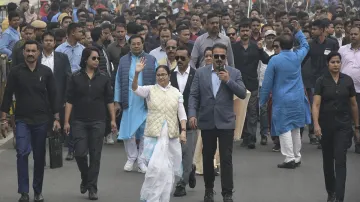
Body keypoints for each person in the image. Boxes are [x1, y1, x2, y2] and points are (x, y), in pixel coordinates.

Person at [0, 40, 60, 202]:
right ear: (23, 53)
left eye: (34, 51)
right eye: (28, 51)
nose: (31, 54)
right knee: (22, 153)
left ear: (38, 53)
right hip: (22, 120)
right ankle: (24, 192)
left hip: (41, 120)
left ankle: (38, 191)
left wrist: (57, 118)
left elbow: (54, 95)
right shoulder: (16, 72)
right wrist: (4, 118)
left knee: (39, 157)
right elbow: (7, 94)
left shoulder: (46, 72)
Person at [188, 43, 247, 202]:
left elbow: (242, 93)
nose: (219, 59)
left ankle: (227, 193)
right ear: (211, 57)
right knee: (207, 157)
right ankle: (208, 190)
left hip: (226, 122)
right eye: (216, 56)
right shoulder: (200, 73)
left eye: (222, 56)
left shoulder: (234, 73)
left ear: (226, 57)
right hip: (207, 120)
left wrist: (228, 81)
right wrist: (192, 114)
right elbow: (193, 95)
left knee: (226, 159)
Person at [64, 47, 117, 200]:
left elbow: (109, 100)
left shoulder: (104, 77)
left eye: (98, 58)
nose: (96, 61)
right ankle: (85, 178)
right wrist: (66, 121)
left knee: (95, 155)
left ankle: (92, 188)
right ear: (86, 59)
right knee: (80, 153)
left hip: (98, 121)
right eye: (93, 58)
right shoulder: (75, 77)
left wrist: (112, 120)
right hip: (79, 121)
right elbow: (69, 101)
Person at [259, 22, 311, 169]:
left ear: (280, 45)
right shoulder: (297, 56)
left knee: (284, 128)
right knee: (295, 127)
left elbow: (267, 83)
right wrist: (299, 31)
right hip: (298, 98)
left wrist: (262, 101)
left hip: (282, 99)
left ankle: (289, 159)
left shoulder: (275, 60)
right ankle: (297, 156)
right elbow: (306, 46)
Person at [132, 62, 186, 202]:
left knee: (168, 172)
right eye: (158, 75)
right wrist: (137, 73)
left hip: (171, 137)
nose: (161, 77)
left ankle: (164, 199)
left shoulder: (176, 93)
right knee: (155, 169)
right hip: (154, 137)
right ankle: (151, 198)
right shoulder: (150, 90)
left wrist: (183, 131)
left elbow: (182, 115)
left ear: (169, 76)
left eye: (164, 75)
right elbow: (135, 89)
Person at [312, 52, 360, 202]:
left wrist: (357, 126)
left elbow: (353, 104)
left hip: (343, 126)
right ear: (328, 64)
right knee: (328, 161)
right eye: (333, 62)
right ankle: (331, 191)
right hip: (326, 126)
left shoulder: (347, 81)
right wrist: (316, 124)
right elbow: (316, 104)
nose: (336, 64)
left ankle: (339, 196)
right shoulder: (321, 81)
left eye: (338, 62)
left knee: (340, 160)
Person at [114, 35, 157, 173]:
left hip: (146, 101)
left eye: (139, 44)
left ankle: (142, 161)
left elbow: (158, 80)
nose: (136, 46)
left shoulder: (151, 60)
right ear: (130, 45)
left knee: (145, 133)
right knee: (129, 132)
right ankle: (131, 158)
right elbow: (118, 82)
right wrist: (117, 101)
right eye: (134, 44)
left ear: (143, 44)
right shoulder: (123, 61)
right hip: (129, 100)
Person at [170, 47, 197, 197]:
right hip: (172, 121)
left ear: (189, 59)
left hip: (190, 120)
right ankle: (190, 170)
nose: (179, 60)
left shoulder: (196, 75)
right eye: (177, 58)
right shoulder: (169, 74)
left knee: (186, 153)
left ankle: (181, 184)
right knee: (176, 154)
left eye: (183, 58)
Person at [338, 26, 360, 153]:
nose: (353, 36)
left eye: (356, 34)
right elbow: (336, 65)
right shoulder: (342, 50)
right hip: (345, 90)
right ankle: (345, 141)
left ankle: (358, 143)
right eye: (351, 34)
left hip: (359, 91)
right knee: (345, 117)